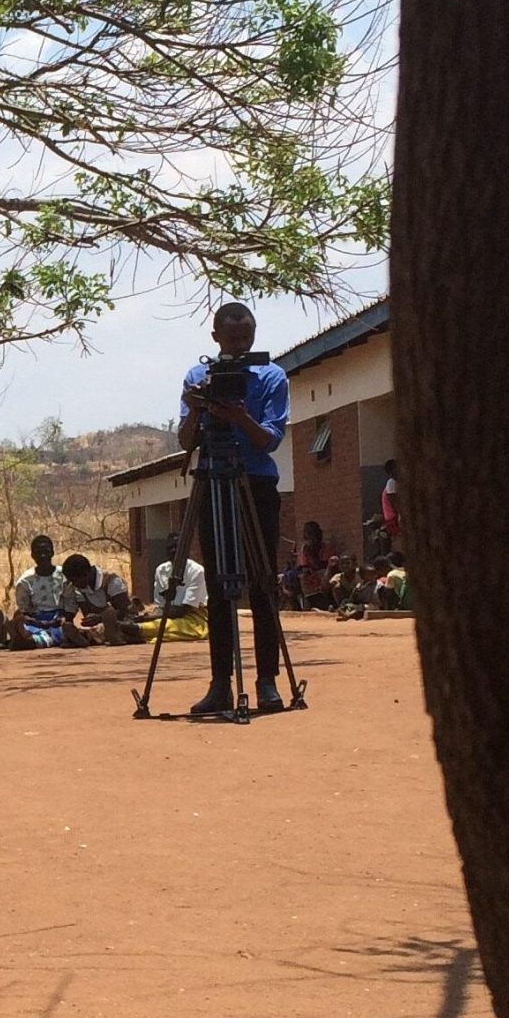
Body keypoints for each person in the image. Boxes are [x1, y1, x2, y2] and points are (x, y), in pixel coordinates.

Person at [179, 301, 290, 718]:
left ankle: (268, 681)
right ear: (216, 339)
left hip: (256, 483)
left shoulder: (272, 376)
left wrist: (240, 417)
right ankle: (220, 684)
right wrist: (197, 408)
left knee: (262, 582)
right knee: (220, 585)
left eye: (248, 337)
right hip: (212, 479)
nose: (241, 346)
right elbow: (185, 440)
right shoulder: (197, 377)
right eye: (233, 339)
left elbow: (269, 440)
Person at [0, 534, 70, 648]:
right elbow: (24, 611)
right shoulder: (25, 580)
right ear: (32, 555)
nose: (43, 556)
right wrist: (38, 622)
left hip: (58, 621)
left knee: (60, 633)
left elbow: (70, 608)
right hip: (34, 621)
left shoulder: (64, 576)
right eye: (38, 552)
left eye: (46, 551)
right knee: (30, 629)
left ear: (52, 552)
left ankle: (23, 639)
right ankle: (22, 636)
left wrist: (59, 620)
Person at [59, 551, 139, 644]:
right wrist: (66, 624)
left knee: (127, 628)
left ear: (86, 574)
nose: (74, 584)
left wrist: (101, 618)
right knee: (91, 631)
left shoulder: (111, 580)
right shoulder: (74, 588)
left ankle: (109, 635)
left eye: (75, 580)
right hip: (94, 628)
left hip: (122, 622)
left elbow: (124, 611)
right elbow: (69, 616)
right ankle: (89, 637)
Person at [281, 520, 348, 614]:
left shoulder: (326, 547)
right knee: (291, 578)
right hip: (311, 578)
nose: (310, 538)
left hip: (325, 575)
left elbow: (326, 565)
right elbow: (304, 566)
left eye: (312, 534)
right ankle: (297, 608)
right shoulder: (305, 549)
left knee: (324, 575)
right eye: (308, 535)